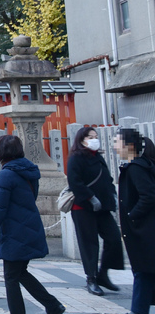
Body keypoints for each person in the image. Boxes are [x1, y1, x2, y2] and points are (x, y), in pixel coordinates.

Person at [0, 135, 65, 314]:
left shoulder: (5, 174)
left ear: (1, 153)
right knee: (20, 273)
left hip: (15, 231)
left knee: (11, 278)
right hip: (29, 226)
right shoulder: (29, 170)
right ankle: (52, 305)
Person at [66, 125, 122, 295]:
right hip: (83, 206)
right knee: (89, 243)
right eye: (90, 137)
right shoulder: (76, 158)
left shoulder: (98, 157)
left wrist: (112, 195)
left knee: (113, 238)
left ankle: (103, 273)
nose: (93, 139)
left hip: (103, 206)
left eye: (95, 136)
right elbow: (75, 182)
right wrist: (90, 197)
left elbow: (107, 178)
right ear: (82, 140)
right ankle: (91, 278)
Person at [113, 127, 155, 314]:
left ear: (129, 146)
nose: (115, 145)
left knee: (143, 269)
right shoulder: (137, 166)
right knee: (144, 271)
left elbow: (148, 196)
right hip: (144, 229)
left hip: (144, 230)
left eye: (117, 141)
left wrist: (132, 216)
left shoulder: (136, 168)